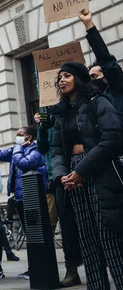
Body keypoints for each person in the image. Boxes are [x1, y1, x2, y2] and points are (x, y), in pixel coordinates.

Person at [51, 62, 123, 289]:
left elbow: (112, 138)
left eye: (67, 75)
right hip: (72, 178)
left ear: (80, 79)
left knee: (108, 238)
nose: (62, 80)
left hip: (98, 172)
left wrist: (81, 171)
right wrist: (62, 175)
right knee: (87, 239)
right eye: (59, 77)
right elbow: (56, 150)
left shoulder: (98, 102)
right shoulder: (62, 114)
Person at [0, 125, 48, 280]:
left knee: (35, 233)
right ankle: (33, 268)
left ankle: (39, 268)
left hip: (34, 198)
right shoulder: (18, 150)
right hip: (21, 198)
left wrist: (18, 149)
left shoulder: (35, 150)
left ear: (29, 137)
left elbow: (24, 163)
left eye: (20, 135)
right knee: (29, 233)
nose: (17, 137)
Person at [78, 8, 123, 121]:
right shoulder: (91, 103)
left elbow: (106, 60)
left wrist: (89, 25)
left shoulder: (117, 91)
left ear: (107, 76)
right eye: (90, 78)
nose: (92, 81)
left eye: (95, 76)